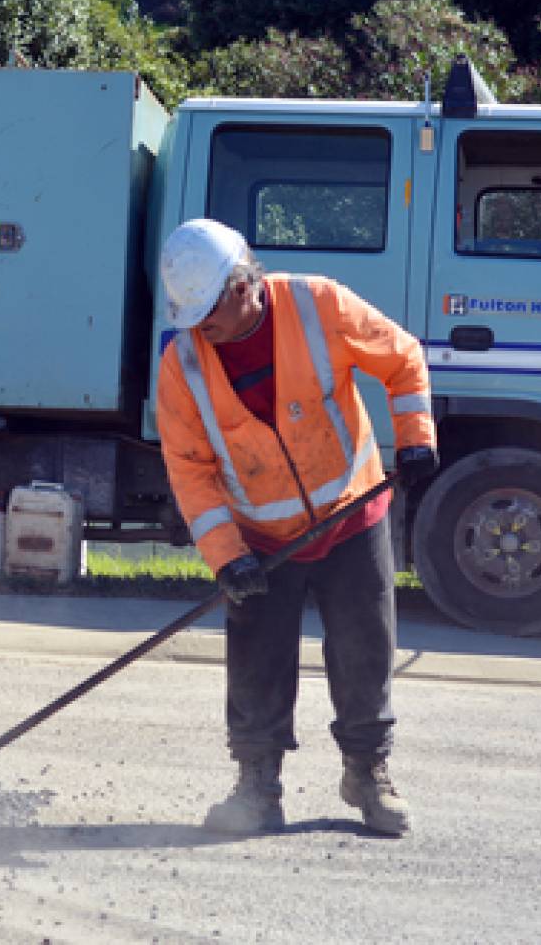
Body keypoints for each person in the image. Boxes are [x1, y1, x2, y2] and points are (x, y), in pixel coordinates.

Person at [154, 218, 438, 836]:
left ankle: (367, 772)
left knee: (365, 651)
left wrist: (416, 437)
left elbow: (403, 358)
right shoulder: (183, 366)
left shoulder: (319, 304)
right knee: (256, 659)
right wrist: (227, 557)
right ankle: (257, 785)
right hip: (260, 536)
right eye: (193, 317)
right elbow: (191, 471)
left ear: (241, 285)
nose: (204, 329)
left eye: (210, 313)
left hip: (352, 515)